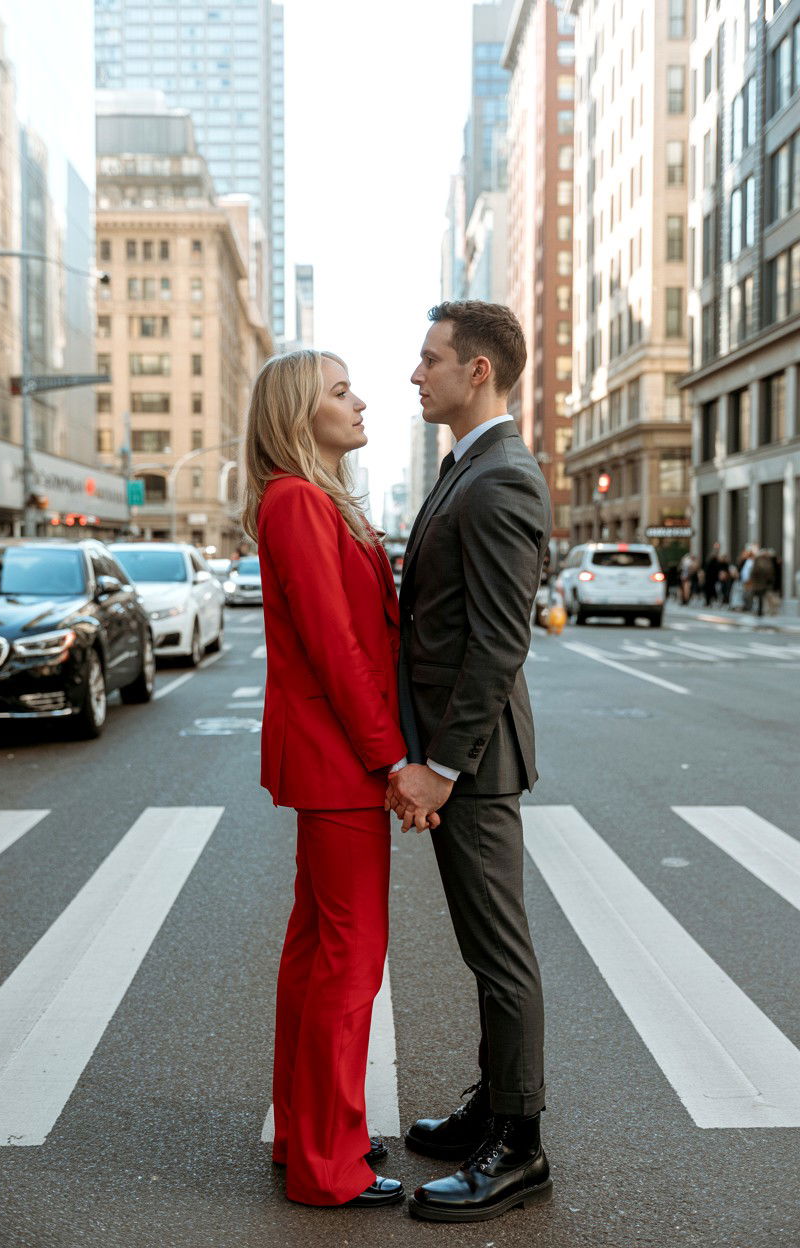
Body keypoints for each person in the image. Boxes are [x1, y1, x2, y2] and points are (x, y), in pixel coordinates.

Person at [242, 350, 423, 1209]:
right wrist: (391, 759)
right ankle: (328, 1163)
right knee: (350, 962)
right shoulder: (298, 503)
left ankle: (306, 1133)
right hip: (340, 761)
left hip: (328, 757)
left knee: (316, 952)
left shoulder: (306, 501)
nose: (361, 402)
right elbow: (338, 647)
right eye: (341, 392)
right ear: (296, 413)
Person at [386, 301, 553, 1224]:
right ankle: (494, 1105)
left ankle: (521, 1146)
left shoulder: (499, 480)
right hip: (464, 754)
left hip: (477, 763)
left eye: (429, 359)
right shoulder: (469, 468)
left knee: (501, 956)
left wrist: (441, 768)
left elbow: (497, 644)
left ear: (478, 370)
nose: (416, 374)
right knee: (484, 949)